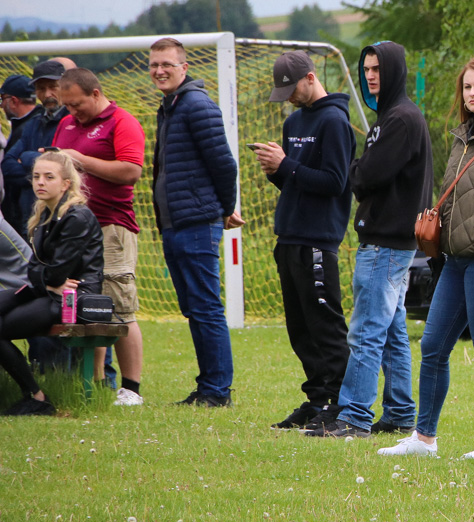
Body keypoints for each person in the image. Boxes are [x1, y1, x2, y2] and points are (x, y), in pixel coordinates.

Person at [377, 56, 474, 458]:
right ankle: (424, 439)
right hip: (456, 261)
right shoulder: (462, 139)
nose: (471, 93)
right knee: (432, 346)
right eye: (467, 87)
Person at [307, 41, 433, 438]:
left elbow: (363, 178)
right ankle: (398, 413)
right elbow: (367, 172)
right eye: (367, 69)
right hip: (391, 242)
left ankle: (355, 416)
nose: (371, 75)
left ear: (394, 70)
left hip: (385, 243)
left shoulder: (399, 119)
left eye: (378, 68)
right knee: (393, 331)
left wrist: (358, 168)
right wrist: (362, 167)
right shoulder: (393, 116)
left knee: (365, 331)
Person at [253, 51, 354, 428]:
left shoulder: (335, 122)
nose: (289, 98)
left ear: (311, 78)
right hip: (289, 235)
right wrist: (275, 171)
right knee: (300, 326)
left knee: (324, 323)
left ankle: (342, 404)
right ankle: (316, 399)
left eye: (291, 88)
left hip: (319, 238)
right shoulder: (294, 121)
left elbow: (334, 182)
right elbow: (292, 181)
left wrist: (287, 166)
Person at [148, 38, 244, 408]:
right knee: (193, 307)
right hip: (174, 224)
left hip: (197, 223)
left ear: (184, 68)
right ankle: (208, 386)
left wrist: (223, 208)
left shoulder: (196, 105)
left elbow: (224, 164)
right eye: (155, 65)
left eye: (167, 65)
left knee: (205, 307)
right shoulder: (169, 107)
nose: (160, 71)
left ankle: (217, 391)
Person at [53, 67, 146, 407]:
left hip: (111, 227)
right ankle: (92, 382)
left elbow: (131, 171)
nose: (71, 111)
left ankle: (131, 388)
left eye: (76, 104)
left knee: (119, 307)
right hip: (72, 229)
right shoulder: (65, 125)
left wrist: (82, 160)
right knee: (88, 307)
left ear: (95, 94)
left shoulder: (122, 122)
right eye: (66, 105)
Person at [0, 151, 103, 416]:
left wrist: (47, 279)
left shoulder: (76, 217)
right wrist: (48, 281)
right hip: (47, 292)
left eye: (49, 177)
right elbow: (34, 268)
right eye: (36, 177)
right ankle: (34, 395)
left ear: (66, 183)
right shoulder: (44, 214)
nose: (40, 183)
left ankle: (36, 396)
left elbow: (58, 272)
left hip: (72, 298)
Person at [1, 59, 74, 238]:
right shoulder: (33, 123)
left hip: (63, 219)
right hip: (31, 218)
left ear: (64, 86)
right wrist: (44, 174)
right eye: (41, 88)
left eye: (53, 87)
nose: (47, 94)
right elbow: (7, 165)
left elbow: (65, 164)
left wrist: (26, 158)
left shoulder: (74, 121)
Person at [1, 74, 40, 232]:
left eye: (2, 99)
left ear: (14, 100)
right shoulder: (21, 124)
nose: (2, 105)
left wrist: (26, 164)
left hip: (27, 213)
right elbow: (8, 165)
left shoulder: (35, 125)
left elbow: (8, 169)